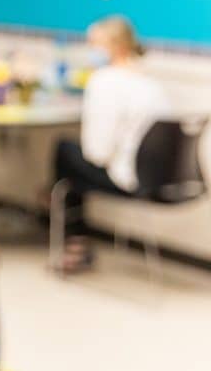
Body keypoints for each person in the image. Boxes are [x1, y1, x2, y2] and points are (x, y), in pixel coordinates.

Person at [52, 16, 171, 272]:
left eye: (95, 44)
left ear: (116, 46)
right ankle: (57, 209)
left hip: (129, 180)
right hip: (161, 179)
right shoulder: (150, 83)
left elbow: (97, 153)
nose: (91, 51)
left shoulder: (104, 81)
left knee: (64, 152)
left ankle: (74, 240)